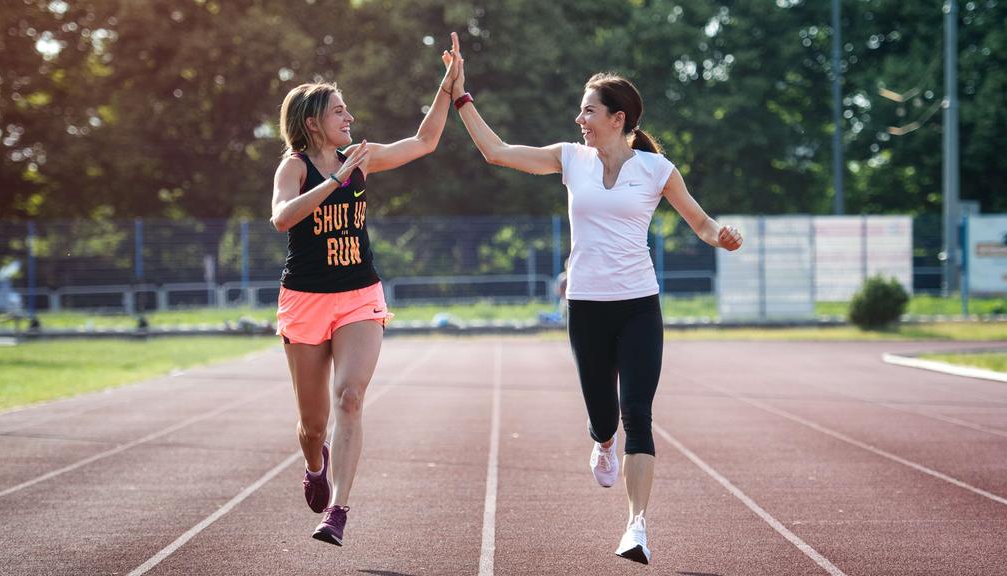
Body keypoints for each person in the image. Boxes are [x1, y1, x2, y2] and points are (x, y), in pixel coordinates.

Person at [445, 49, 743, 564]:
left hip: (638, 306)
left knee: (639, 415)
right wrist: (461, 96)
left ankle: (636, 528)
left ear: (616, 119)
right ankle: (602, 441)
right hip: (585, 305)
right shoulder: (569, 158)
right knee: (605, 418)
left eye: (587, 111)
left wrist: (724, 237)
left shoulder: (656, 169)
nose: (579, 119)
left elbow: (700, 222)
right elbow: (496, 151)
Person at [270, 33, 462, 546]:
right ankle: (315, 466)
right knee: (313, 427)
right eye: (339, 110)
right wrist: (336, 181)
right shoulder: (295, 166)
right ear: (313, 123)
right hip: (305, 301)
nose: (348, 117)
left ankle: (338, 509)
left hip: (359, 293)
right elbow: (282, 218)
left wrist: (447, 86)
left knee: (350, 398)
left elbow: (424, 142)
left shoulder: (363, 155)